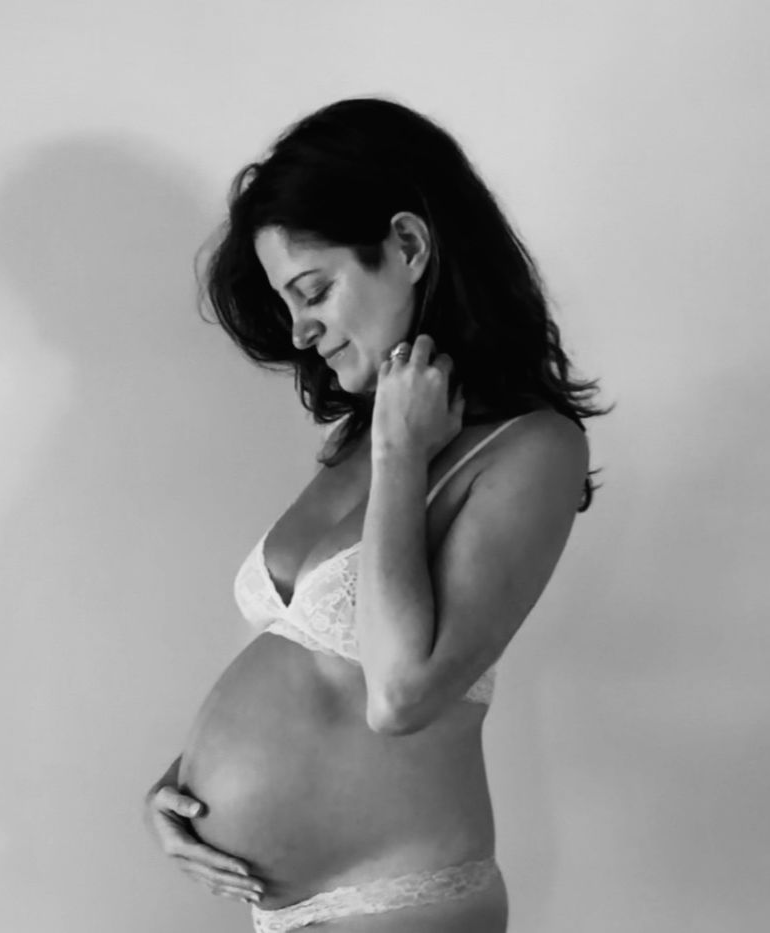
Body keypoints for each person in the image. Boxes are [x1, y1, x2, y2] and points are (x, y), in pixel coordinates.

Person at [144, 96, 610, 932]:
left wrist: (402, 453)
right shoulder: (357, 440)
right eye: (286, 303)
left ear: (407, 244)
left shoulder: (532, 448)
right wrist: (179, 787)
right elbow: (311, 671)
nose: (300, 331)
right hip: (280, 909)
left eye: (312, 290)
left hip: (399, 898)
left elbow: (399, 694)